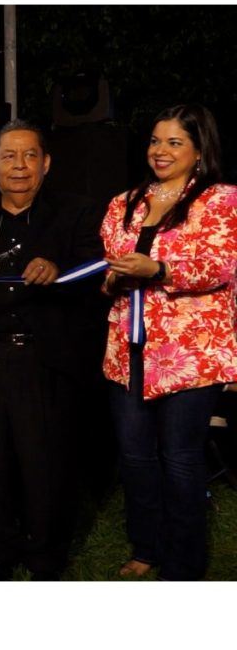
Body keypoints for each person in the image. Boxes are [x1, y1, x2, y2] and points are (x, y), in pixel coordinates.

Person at [0, 119, 103, 580]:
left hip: (49, 357)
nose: (18, 165)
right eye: (8, 156)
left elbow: (97, 268)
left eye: (29, 156)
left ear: (46, 163)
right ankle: (0, 552)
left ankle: (46, 556)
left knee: (47, 462)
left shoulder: (77, 212)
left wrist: (58, 267)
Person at [102, 103, 237, 581]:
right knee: (134, 453)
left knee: (180, 457)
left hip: (189, 355)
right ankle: (146, 546)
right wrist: (113, 278)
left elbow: (220, 266)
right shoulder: (126, 201)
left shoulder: (221, 200)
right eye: (156, 141)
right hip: (129, 348)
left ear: (200, 150)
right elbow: (109, 259)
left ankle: (184, 565)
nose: (161, 151)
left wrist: (158, 270)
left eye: (174, 142)